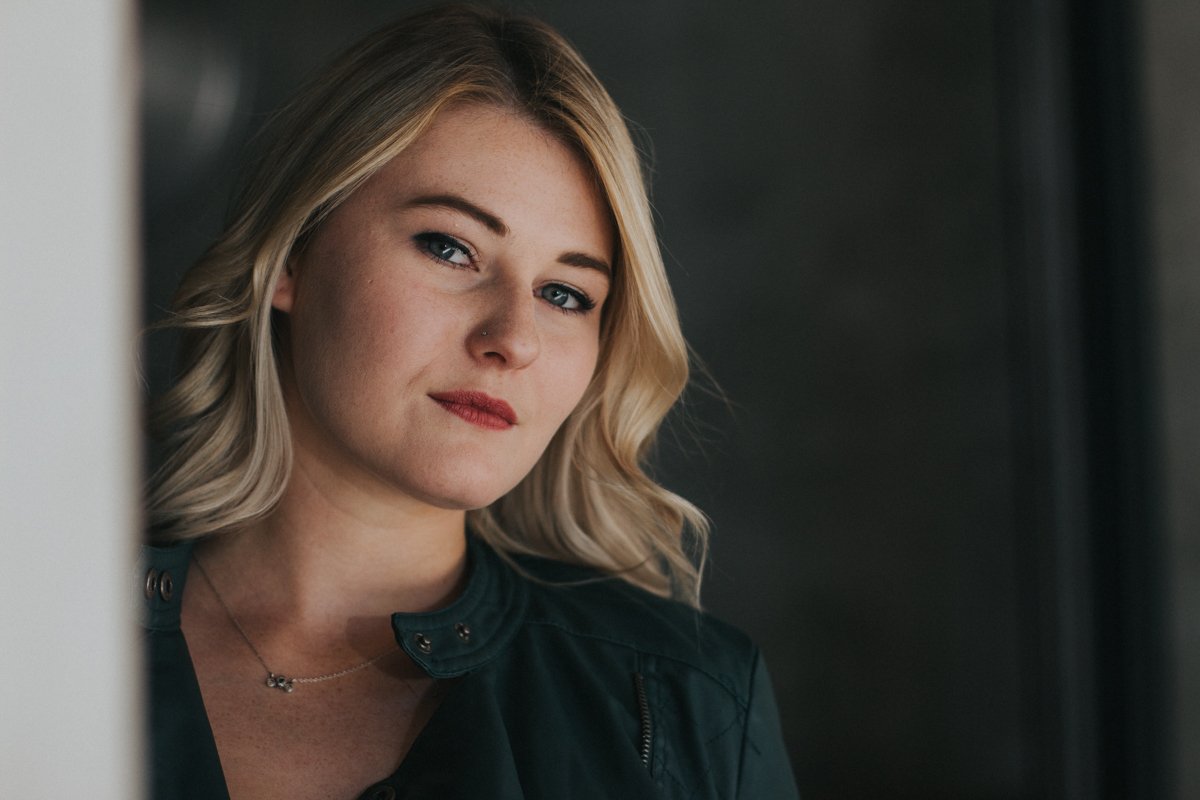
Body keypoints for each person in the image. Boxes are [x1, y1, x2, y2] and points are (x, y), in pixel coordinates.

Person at [140, 4, 799, 798]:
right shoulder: (41, 632)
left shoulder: (688, 700)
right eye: (451, 248)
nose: (512, 336)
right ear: (291, 258)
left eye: (564, 293)